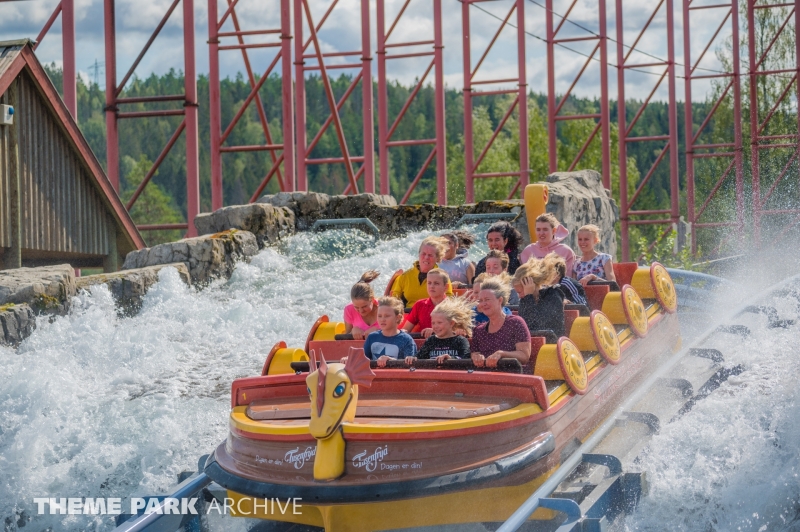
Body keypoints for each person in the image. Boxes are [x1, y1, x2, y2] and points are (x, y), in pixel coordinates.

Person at [470, 278, 532, 369]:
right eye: (480, 301)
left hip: (512, 373)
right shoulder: (478, 330)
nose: (483, 304)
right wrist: (476, 357)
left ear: (500, 300)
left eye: (487, 299)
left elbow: (524, 356)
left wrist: (501, 354)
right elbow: (474, 353)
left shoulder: (516, 323)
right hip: (486, 375)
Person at [404, 297, 473, 365]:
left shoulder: (460, 341)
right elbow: (419, 358)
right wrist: (412, 358)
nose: (435, 326)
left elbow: (466, 358)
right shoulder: (431, 341)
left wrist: (451, 359)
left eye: (439, 322)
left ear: (451, 323)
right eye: (433, 323)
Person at [391, 236, 454, 306]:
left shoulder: (442, 277)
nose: (426, 257)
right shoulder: (405, 276)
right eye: (423, 254)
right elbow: (394, 299)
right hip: (408, 312)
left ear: (437, 258)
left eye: (430, 255)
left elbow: (449, 301)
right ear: (419, 254)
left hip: (433, 311)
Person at [512, 255, 565, 337]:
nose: (519, 296)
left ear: (530, 285)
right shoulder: (525, 301)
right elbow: (524, 328)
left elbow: (538, 326)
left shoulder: (553, 295)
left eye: (520, 292)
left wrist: (528, 296)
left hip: (551, 341)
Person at [364, 297, 418, 367]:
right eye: (379, 316)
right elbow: (362, 361)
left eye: (387, 316)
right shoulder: (372, 337)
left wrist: (391, 361)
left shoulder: (406, 340)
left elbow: (411, 365)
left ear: (397, 318)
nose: (382, 319)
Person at [403, 268, 450, 338]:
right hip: (423, 343)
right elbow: (406, 330)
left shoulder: (453, 306)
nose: (432, 286)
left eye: (436, 283)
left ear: (446, 287)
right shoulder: (419, 305)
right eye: (429, 283)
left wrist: (435, 331)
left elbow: (458, 331)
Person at [343, 270, 380, 340]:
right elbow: (346, 337)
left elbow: (396, 333)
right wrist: (352, 331)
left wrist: (379, 331)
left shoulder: (385, 308)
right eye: (356, 307)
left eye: (364, 306)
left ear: (372, 299)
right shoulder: (348, 309)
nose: (361, 311)